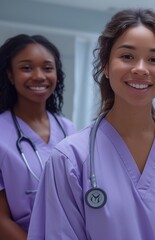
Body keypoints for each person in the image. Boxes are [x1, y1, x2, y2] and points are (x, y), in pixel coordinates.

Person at [27, 8, 155, 240]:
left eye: (154, 59)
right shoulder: (69, 159)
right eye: (127, 56)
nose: (141, 68)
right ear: (105, 66)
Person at [0, 34, 76, 239]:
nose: (39, 76)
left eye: (47, 68)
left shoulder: (69, 130)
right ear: (10, 75)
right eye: (26, 68)